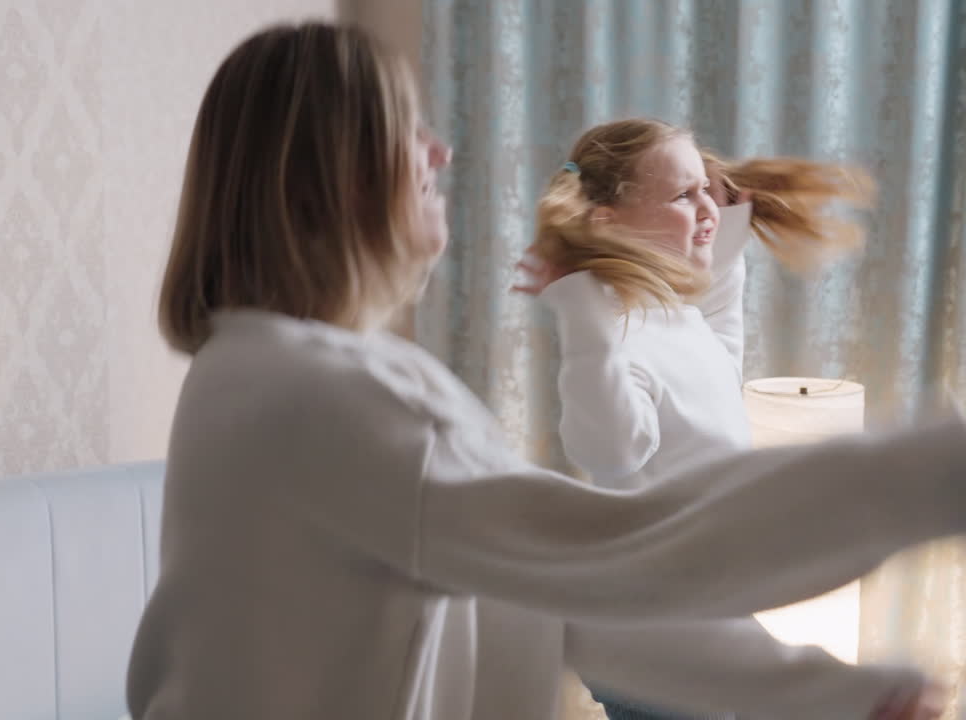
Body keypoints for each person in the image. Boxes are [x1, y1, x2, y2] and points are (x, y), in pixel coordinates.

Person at [126, 21, 959, 720]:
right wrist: (926, 474)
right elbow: (612, 552)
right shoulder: (333, 398)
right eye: (409, 130)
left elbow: (557, 605)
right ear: (331, 177)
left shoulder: (243, 374)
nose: (442, 152)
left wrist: (832, 694)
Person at [511, 118, 876, 719]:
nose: (705, 203)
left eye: (707, 188)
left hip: (696, 609)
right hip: (654, 632)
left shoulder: (672, 316)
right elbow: (609, 449)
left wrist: (724, 231)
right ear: (608, 221)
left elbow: (719, 347)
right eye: (685, 195)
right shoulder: (616, 333)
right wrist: (578, 309)